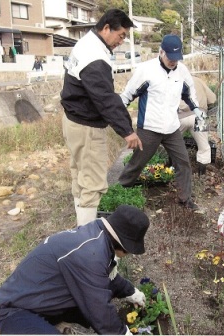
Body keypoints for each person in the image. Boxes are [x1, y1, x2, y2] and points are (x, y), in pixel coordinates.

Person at [0, 205, 150, 335]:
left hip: (40, 300)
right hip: (15, 310)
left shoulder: (97, 235)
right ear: (122, 243)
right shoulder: (91, 254)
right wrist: (122, 333)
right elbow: (98, 308)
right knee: (96, 307)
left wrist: (130, 291)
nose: (128, 253)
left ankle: (52, 322)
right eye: (130, 249)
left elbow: (105, 278)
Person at [60, 9, 143, 226]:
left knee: (80, 177)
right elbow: (105, 99)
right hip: (87, 128)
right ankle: (86, 239)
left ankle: (81, 228)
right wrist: (127, 131)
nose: (121, 41)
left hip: (73, 121)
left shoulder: (86, 43)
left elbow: (104, 95)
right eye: (121, 35)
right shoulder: (95, 57)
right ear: (106, 28)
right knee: (93, 184)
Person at [118, 34, 205, 210]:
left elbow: (189, 94)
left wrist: (196, 109)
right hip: (149, 127)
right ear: (161, 52)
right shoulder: (146, 70)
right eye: (170, 58)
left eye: (177, 59)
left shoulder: (182, 71)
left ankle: (185, 198)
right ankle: (122, 189)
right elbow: (127, 95)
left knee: (183, 162)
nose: (173, 62)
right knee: (138, 162)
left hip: (172, 127)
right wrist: (119, 118)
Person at [177, 76, 217, 175]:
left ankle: (175, 171)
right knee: (204, 146)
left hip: (180, 116)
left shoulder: (174, 80)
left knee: (173, 144)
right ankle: (201, 174)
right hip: (200, 116)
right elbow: (212, 99)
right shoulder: (198, 80)